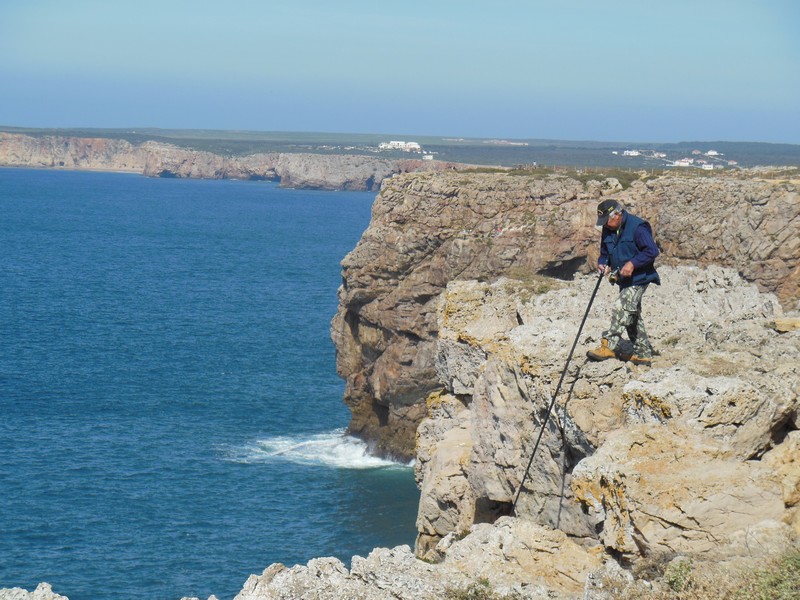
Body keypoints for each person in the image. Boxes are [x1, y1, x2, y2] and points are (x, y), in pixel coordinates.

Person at [587, 199, 660, 366]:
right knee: (631, 315)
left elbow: (651, 251)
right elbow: (605, 252)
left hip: (641, 277)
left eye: (607, 221)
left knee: (622, 307)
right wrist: (603, 263)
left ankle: (609, 346)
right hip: (623, 279)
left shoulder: (638, 227)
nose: (606, 225)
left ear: (618, 214)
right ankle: (642, 354)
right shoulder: (608, 228)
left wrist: (632, 263)